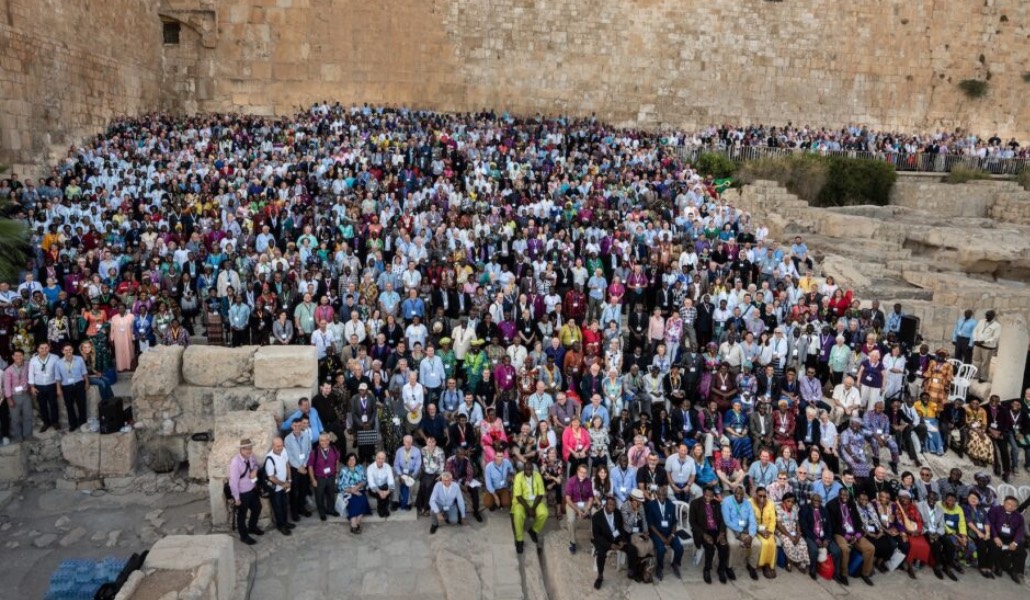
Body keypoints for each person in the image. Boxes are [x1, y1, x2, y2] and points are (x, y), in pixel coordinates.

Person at [827, 486, 874, 586]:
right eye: (843, 495)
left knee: (870, 548)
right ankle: (843, 574)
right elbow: (833, 525)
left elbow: (858, 520)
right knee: (845, 549)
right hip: (840, 533)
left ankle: (865, 573)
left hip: (854, 532)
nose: (845, 497)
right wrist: (847, 536)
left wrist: (857, 535)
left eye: (847, 495)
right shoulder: (831, 505)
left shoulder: (851, 503)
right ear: (838, 494)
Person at [689, 486, 731, 584]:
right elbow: (692, 523)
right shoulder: (695, 503)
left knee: (724, 547)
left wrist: (721, 533)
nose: (708, 497)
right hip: (702, 531)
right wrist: (704, 535)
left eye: (711, 496)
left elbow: (722, 520)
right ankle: (707, 569)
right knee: (710, 547)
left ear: (713, 496)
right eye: (706, 495)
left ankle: (721, 570)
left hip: (715, 531)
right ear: (703, 493)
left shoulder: (716, 504)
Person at [800, 492, 843, 581]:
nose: (817, 502)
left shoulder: (824, 510)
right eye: (815, 500)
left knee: (837, 551)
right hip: (811, 535)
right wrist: (815, 539)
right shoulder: (804, 509)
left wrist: (827, 539)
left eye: (819, 501)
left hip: (824, 536)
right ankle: (813, 570)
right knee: (814, 550)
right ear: (811, 500)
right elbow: (804, 528)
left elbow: (829, 526)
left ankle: (836, 573)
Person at [228, 438, 263, 545]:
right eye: (246, 449)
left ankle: (252, 527)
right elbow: (233, 482)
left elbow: (256, 465)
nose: (249, 450)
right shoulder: (235, 462)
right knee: (242, 515)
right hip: (242, 493)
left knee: (257, 508)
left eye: (250, 448)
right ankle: (244, 536)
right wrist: (236, 498)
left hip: (252, 489)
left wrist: (255, 471)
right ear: (241, 450)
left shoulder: (251, 457)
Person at [645, 486, 683, 580]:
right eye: (660, 494)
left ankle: (675, 564)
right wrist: (661, 537)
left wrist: (672, 535)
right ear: (657, 494)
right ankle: (660, 567)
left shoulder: (671, 505)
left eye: (664, 495)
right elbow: (651, 524)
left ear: (666, 495)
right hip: (657, 532)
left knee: (679, 548)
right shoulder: (651, 505)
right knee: (661, 549)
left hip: (669, 532)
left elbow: (674, 522)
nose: (662, 496)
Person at [722, 485, 759, 580]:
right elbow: (727, 521)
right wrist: (741, 531)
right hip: (732, 527)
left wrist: (751, 535)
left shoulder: (747, 503)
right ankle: (729, 567)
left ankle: (751, 566)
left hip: (745, 529)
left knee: (757, 544)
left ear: (744, 494)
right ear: (733, 493)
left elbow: (752, 521)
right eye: (736, 493)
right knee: (733, 544)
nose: (739, 495)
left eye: (741, 494)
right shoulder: (727, 501)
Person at [987, 495, 1027, 583]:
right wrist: (995, 537)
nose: (1010, 506)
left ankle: (1015, 571)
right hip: (996, 535)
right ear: (1004, 503)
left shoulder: (1019, 516)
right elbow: (991, 524)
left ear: (1016, 507)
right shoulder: (995, 510)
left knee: (1022, 551)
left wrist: (1015, 542)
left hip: (1010, 538)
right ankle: (997, 566)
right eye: (1008, 504)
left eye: (1013, 505)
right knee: (995, 546)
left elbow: (1020, 530)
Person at [511, 461, 548, 553]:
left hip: (535, 501)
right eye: (527, 469)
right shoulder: (518, 477)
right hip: (522, 501)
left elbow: (540, 494)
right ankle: (519, 540)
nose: (529, 471)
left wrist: (533, 508)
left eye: (531, 469)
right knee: (518, 514)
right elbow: (518, 496)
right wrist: (528, 509)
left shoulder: (537, 476)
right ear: (524, 469)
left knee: (544, 513)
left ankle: (534, 530)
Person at [591, 495, 626, 590]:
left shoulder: (617, 513)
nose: (612, 507)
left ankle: (633, 571)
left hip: (616, 538)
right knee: (601, 554)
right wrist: (610, 545)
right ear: (605, 505)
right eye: (610, 504)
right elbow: (597, 536)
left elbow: (621, 529)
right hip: (603, 540)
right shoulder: (597, 517)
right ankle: (600, 576)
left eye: (614, 505)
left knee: (631, 548)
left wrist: (622, 540)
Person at [621, 488, 656, 582]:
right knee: (636, 547)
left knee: (649, 542)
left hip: (639, 531)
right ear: (633, 500)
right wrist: (635, 511)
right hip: (628, 532)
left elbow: (644, 520)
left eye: (640, 502)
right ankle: (634, 568)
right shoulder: (624, 507)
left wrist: (645, 532)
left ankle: (645, 565)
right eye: (639, 501)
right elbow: (628, 523)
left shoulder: (640, 506)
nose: (640, 504)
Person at [564, 462, 596, 553]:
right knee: (571, 520)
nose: (583, 474)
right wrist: (577, 510)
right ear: (577, 471)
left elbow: (590, 497)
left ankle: (594, 538)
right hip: (573, 503)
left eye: (585, 473)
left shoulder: (588, 481)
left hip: (585, 503)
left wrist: (588, 508)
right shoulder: (571, 481)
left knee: (596, 513)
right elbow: (568, 499)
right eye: (581, 472)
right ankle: (572, 542)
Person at [264, 437, 293, 535]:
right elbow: (271, 477)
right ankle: (281, 526)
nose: (280, 447)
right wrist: (283, 484)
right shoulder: (269, 458)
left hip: (284, 486)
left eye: (281, 445)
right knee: (278, 508)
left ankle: (285, 523)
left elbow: (287, 465)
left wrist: (289, 480)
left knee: (284, 506)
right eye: (277, 446)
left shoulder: (283, 451)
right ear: (273, 446)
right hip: (276, 489)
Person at [309, 432, 341, 521]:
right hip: (320, 478)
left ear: (329, 440)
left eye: (326, 440)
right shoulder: (314, 452)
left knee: (331, 494)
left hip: (331, 476)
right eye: (322, 440)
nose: (324, 442)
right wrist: (313, 480)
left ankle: (331, 509)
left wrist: (337, 470)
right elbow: (310, 466)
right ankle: (322, 513)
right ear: (319, 442)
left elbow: (337, 459)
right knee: (320, 496)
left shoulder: (334, 449)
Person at [2, 349, 33, 443]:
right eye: (16, 355)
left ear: (23, 356)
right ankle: (18, 437)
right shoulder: (8, 370)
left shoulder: (28, 365)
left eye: (20, 355)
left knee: (27, 416)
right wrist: (9, 399)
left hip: (25, 395)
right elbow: (7, 386)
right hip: (14, 396)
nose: (18, 357)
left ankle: (27, 435)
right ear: (12, 357)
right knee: (15, 418)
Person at [776, 492, 810, 572]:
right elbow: (779, 524)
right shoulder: (778, 508)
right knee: (789, 543)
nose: (791, 503)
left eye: (792, 502)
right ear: (784, 501)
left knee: (802, 543)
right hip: (783, 531)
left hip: (793, 530)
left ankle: (800, 562)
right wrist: (790, 536)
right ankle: (789, 562)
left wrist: (798, 534)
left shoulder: (795, 508)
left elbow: (797, 522)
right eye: (788, 501)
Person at [338, 452, 370, 534]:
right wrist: (351, 490)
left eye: (353, 459)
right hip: (348, 492)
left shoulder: (360, 468)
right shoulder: (343, 470)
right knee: (352, 502)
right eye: (349, 460)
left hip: (359, 489)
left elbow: (364, 480)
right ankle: (354, 525)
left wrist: (356, 488)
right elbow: (341, 486)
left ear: (356, 460)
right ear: (347, 461)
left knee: (362, 500)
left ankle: (357, 523)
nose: (351, 461)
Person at [751, 486, 778, 578]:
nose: (762, 498)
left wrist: (770, 531)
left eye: (764, 496)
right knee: (764, 543)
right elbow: (750, 519)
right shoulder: (750, 502)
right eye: (760, 496)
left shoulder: (770, 504)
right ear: (756, 495)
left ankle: (769, 565)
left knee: (772, 543)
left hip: (767, 530)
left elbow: (773, 520)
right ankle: (761, 564)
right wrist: (759, 530)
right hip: (755, 529)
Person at [971, 310, 1000, 383]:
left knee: (985, 362)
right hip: (977, 344)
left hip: (987, 347)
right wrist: (975, 339)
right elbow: (976, 330)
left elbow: (995, 337)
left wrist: (985, 341)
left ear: (993, 316)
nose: (987, 316)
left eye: (989, 315)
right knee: (976, 360)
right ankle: (975, 374)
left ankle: (983, 377)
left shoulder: (997, 325)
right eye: (986, 315)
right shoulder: (981, 321)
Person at [366, 451, 395, 519]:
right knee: (380, 493)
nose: (380, 460)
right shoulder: (370, 468)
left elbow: (391, 481)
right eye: (379, 458)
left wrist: (387, 492)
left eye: (382, 458)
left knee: (386, 488)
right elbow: (371, 484)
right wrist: (380, 492)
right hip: (373, 489)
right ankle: (381, 509)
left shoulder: (388, 467)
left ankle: (383, 508)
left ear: (385, 459)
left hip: (384, 487)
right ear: (375, 458)